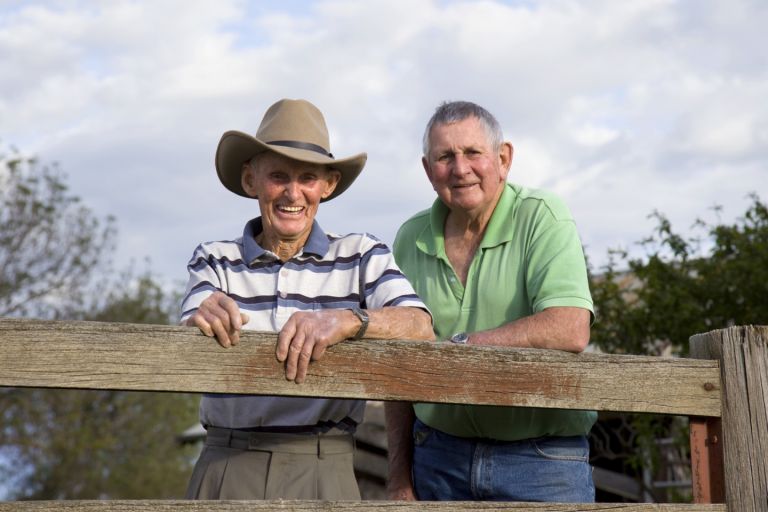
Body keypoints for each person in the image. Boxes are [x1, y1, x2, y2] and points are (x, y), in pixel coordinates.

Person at [180, 98, 433, 501]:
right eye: (278, 176)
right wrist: (202, 316)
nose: (292, 193)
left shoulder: (362, 253)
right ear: (251, 180)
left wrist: (351, 320)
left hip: (323, 462)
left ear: (327, 185)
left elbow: (420, 326)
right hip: (226, 460)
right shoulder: (214, 259)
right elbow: (193, 319)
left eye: (307, 178)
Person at [385, 100, 596, 503]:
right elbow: (398, 365)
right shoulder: (409, 238)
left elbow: (570, 326)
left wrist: (465, 347)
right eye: (445, 156)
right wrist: (398, 477)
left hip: (540, 461)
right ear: (429, 171)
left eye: (472, 153)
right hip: (437, 459)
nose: (459, 168)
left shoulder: (542, 216)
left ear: (503, 158)